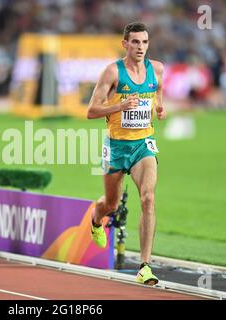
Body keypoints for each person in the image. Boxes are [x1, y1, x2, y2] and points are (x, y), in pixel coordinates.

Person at [87, 22, 166, 285]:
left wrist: (160, 107)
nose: (140, 47)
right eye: (135, 42)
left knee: (148, 198)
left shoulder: (157, 68)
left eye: (144, 42)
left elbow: (158, 90)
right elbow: (91, 111)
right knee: (111, 204)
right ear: (125, 44)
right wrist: (120, 105)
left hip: (144, 143)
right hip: (116, 146)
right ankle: (97, 220)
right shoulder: (112, 72)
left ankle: (145, 266)